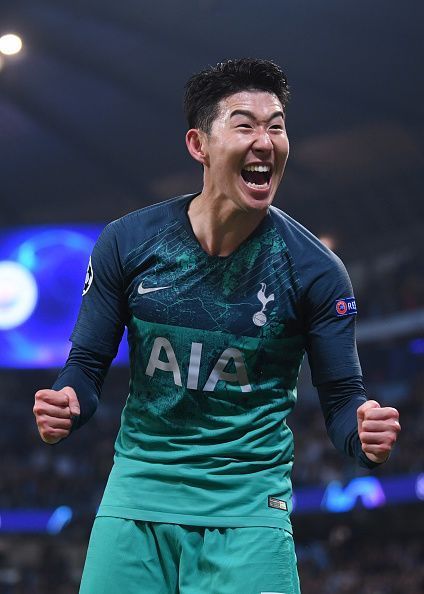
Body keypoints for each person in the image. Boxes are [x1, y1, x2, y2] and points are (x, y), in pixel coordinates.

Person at [33, 58, 400, 594]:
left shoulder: (315, 271)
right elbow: (85, 368)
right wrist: (67, 400)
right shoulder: (128, 243)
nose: (265, 140)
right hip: (138, 497)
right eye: (245, 124)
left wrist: (363, 432)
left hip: (249, 509)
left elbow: (343, 400)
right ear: (199, 144)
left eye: (276, 125)